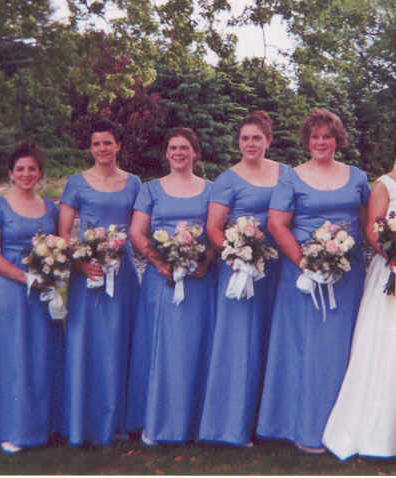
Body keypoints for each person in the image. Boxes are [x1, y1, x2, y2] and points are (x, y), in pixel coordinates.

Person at [322, 118, 396, 459]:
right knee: (391, 342)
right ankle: (382, 431)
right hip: (394, 271)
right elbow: (373, 231)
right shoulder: (385, 183)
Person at [256, 108, 370, 453]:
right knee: (305, 347)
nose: (321, 142)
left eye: (327, 136)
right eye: (315, 136)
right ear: (307, 141)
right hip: (303, 275)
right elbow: (277, 224)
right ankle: (304, 426)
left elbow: (366, 224)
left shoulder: (357, 177)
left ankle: (346, 426)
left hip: (347, 275)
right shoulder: (291, 178)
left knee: (341, 345)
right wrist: (306, 263)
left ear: (338, 140)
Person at [198, 111, 289, 447]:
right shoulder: (227, 179)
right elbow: (213, 227)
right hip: (240, 271)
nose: (251, 144)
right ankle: (231, 425)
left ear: (268, 140)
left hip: (276, 268)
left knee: (272, 340)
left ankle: (271, 421)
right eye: (245, 138)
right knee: (240, 342)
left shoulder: (286, 174)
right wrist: (236, 255)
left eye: (257, 138)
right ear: (238, 142)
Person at [0, 141, 63, 454]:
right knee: (11, 358)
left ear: (40, 173)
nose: (26, 174)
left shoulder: (51, 209)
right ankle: (9, 428)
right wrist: (25, 278)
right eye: (20, 169)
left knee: (41, 357)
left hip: (42, 293)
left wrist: (51, 273)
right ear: (10, 173)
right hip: (9, 292)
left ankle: (43, 426)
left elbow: (58, 246)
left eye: (32, 168)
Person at [126, 127, 217, 445]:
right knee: (162, 349)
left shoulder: (211, 190)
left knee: (195, 347)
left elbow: (216, 231)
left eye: (185, 147)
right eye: (173, 147)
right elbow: (137, 232)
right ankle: (156, 422)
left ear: (195, 153)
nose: (178, 152)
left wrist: (205, 261)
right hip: (160, 280)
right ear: (166, 153)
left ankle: (194, 423)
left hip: (199, 281)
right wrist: (158, 261)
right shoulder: (151, 189)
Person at [57, 119, 141, 446]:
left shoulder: (134, 183)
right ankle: (83, 422)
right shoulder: (76, 183)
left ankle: (120, 420)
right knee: (86, 344)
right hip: (88, 275)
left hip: (123, 275)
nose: (102, 149)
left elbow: (139, 229)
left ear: (118, 145)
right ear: (90, 148)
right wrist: (80, 263)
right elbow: (64, 233)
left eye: (108, 142)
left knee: (121, 341)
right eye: (96, 144)